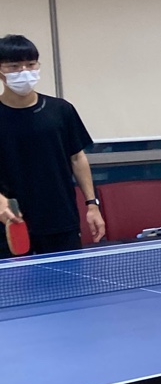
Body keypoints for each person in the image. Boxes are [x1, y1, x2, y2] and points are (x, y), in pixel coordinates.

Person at [0, 34, 106, 255]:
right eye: (14, 66)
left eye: (30, 64)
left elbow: (77, 158)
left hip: (60, 220)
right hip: (10, 221)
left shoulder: (61, 110)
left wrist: (92, 204)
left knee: (68, 277)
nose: (24, 71)